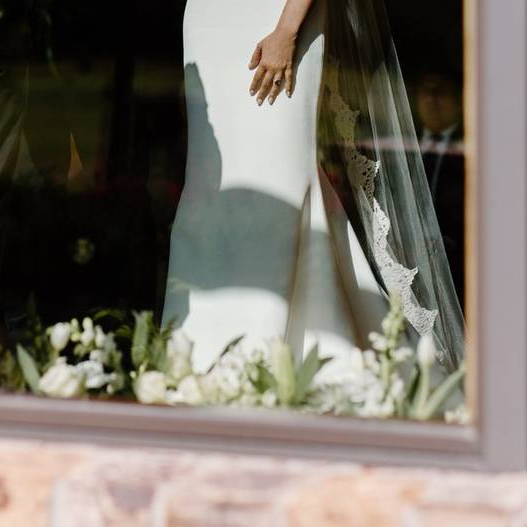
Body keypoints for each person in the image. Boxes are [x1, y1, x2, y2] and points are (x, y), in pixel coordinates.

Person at [162, 0, 466, 376]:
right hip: (211, 19)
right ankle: (203, 350)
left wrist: (287, 30)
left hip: (278, 18)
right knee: (214, 186)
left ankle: (277, 353)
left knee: (281, 175)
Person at [415, 72, 466, 308]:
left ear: (458, 99)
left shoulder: (472, 147)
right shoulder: (399, 144)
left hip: (459, 267)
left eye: (441, 92)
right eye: (427, 91)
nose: (432, 99)